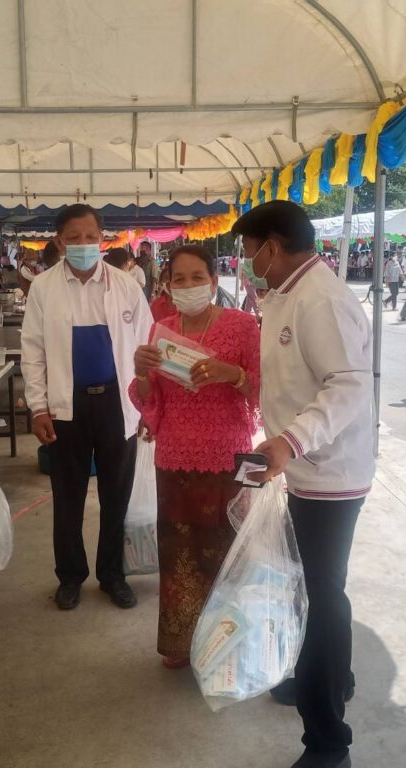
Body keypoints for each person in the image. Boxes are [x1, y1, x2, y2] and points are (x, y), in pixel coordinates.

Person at [231, 201, 374, 768]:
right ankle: (334, 677)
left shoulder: (321, 298)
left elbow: (348, 387)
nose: (246, 261)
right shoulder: (285, 294)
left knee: (318, 598)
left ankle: (327, 742)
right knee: (313, 588)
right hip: (301, 466)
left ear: (272, 245)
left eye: (249, 251)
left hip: (330, 471)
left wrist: (289, 442)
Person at [129, 244, 260, 669]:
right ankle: (181, 642)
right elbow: (151, 402)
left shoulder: (243, 327)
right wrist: (141, 373)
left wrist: (232, 374)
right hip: (174, 459)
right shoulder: (161, 330)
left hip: (230, 458)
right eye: (179, 279)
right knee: (180, 556)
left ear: (214, 281)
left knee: (227, 554)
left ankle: (226, 646)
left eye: (197, 277)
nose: (188, 286)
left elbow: (262, 389)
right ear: (167, 286)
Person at [21, 203, 152, 612]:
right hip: (66, 406)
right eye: (73, 238)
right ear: (60, 242)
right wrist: (38, 408)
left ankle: (113, 575)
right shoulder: (44, 288)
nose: (83, 244)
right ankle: (70, 576)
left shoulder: (125, 285)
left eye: (90, 236)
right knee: (68, 496)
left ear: (102, 238)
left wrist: (147, 403)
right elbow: (33, 351)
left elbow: (147, 345)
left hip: (117, 402)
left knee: (117, 495)